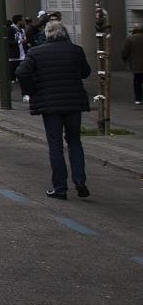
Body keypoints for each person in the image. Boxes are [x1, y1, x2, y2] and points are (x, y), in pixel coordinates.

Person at [14, 20, 92, 200]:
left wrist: (32, 90)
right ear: (64, 33)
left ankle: (60, 187)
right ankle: (79, 179)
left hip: (50, 103)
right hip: (73, 101)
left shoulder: (36, 52)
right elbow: (85, 72)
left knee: (55, 144)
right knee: (74, 141)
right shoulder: (76, 50)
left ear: (47, 34)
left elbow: (21, 72)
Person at [124, 24, 143, 107]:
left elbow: (125, 52)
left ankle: (138, 99)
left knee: (137, 81)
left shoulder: (130, 39)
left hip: (136, 65)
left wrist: (125, 60)